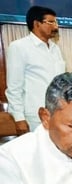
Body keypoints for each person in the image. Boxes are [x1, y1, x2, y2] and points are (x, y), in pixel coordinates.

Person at [5, 6, 65, 134]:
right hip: (34, 116)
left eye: (56, 22)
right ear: (36, 24)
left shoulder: (55, 49)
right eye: (51, 22)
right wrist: (19, 118)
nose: (56, 26)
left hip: (58, 112)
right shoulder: (19, 47)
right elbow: (14, 86)